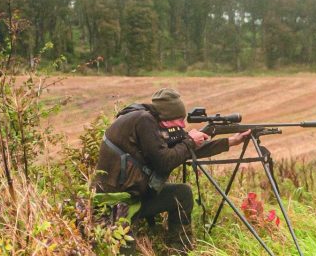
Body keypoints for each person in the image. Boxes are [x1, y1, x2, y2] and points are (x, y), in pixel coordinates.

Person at [94, 88, 248, 247]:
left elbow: (181, 151)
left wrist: (231, 141)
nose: (183, 124)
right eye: (180, 120)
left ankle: (179, 255)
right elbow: (164, 162)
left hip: (134, 197)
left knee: (182, 193)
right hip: (115, 204)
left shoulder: (149, 122)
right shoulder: (143, 121)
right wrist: (189, 141)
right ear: (166, 117)